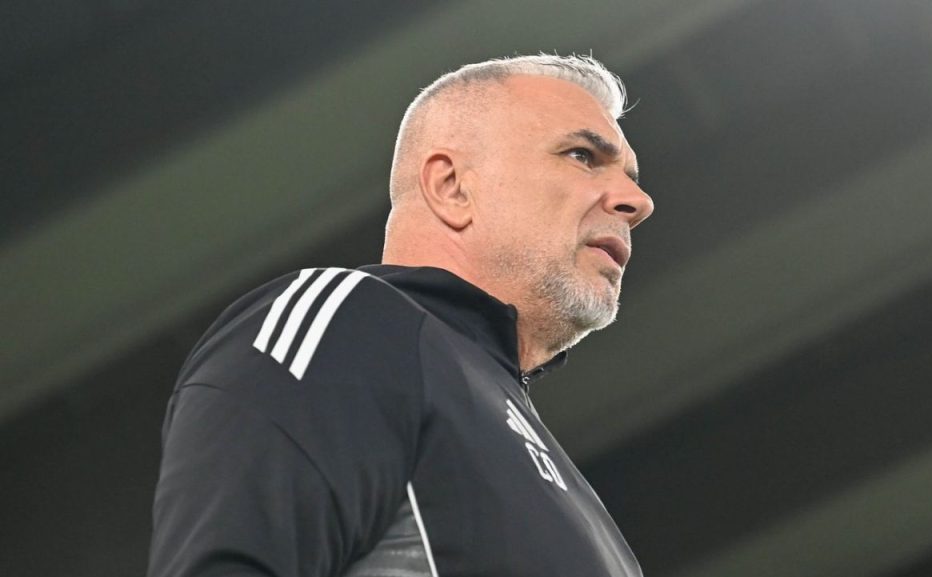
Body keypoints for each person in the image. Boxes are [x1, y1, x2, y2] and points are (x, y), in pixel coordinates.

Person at [148, 53, 654, 577]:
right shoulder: (352, 328)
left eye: (631, 176)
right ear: (452, 187)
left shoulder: (592, 519)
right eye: (582, 155)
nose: (638, 201)